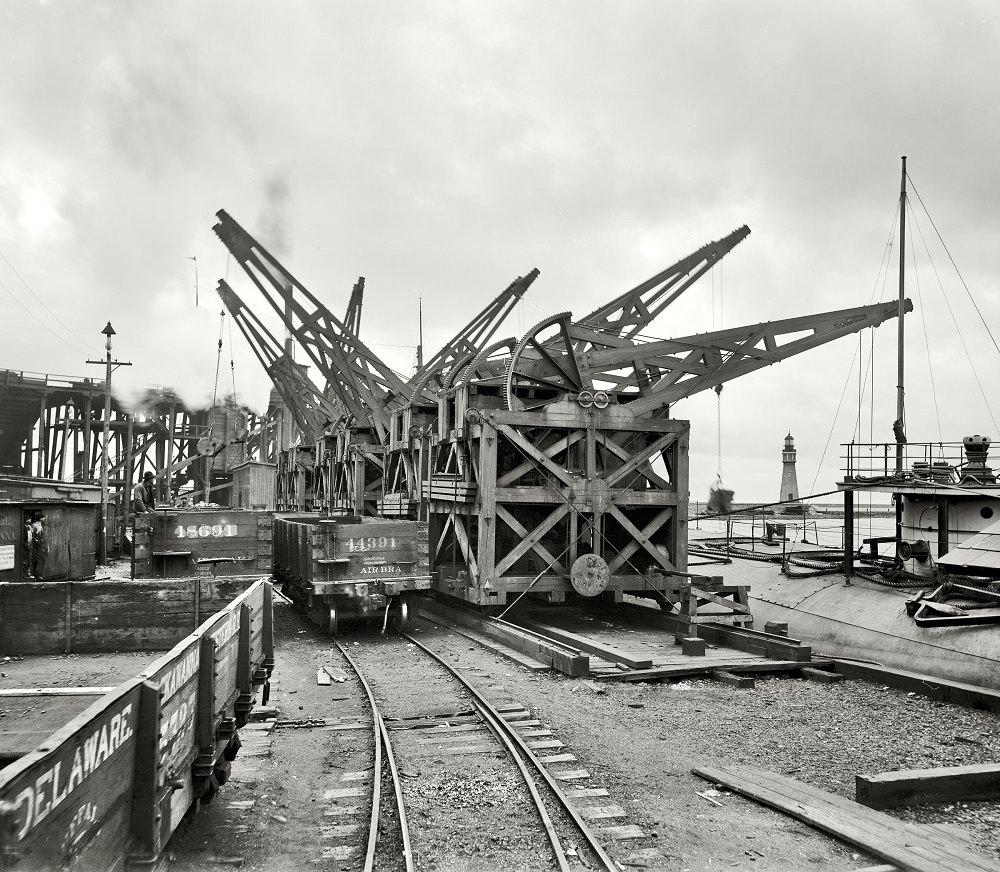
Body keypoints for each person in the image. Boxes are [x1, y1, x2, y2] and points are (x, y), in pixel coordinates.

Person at [30, 513, 47, 579]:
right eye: (43, 517)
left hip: (40, 544)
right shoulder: (34, 525)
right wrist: (37, 541)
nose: (44, 519)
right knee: (36, 559)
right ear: (40, 519)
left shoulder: (40, 525)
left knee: (40, 559)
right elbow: (32, 536)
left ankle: (38, 573)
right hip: (35, 545)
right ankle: (35, 573)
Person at [22, 516, 34, 580]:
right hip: (26, 545)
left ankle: (28, 574)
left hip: (30, 544)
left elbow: (32, 533)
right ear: (26, 520)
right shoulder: (23, 527)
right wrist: (25, 544)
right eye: (29, 519)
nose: (30, 520)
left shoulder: (29, 527)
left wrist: (30, 528)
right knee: (25, 560)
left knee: (29, 560)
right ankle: (24, 574)